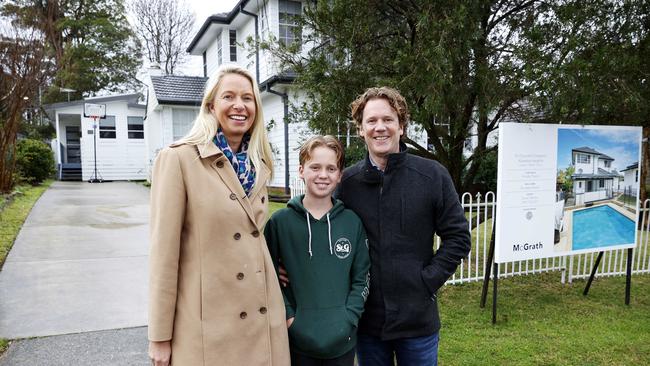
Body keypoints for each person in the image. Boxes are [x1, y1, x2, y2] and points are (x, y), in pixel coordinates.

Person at [147, 64, 290, 366]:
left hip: (261, 317)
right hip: (208, 326)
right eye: (229, 96)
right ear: (211, 105)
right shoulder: (178, 159)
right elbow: (163, 256)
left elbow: (253, 237)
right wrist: (159, 336)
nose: (240, 105)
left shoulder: (259, 164)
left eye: (247, 98)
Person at [336, 87, 471, 365]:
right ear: (360, 129)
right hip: (368, 324)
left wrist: (426, 281)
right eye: (371, 121)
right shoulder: (347, 184)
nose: (380, 127)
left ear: (402, 126)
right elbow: (324, 232)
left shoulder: (432, 176)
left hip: (418, 322)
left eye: (388, 119)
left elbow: (458, 237)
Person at [264, 135, 370, 366]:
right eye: (315, 167)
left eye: (331, 168)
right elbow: (266, 275)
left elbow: (362, 277)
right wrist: (290, 316)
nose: (323, 175)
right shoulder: (280, 222)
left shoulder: (352, 222)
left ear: (340, 175)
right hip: (296, 341)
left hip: (342, 340)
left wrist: (349, 317)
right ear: (301, 170)